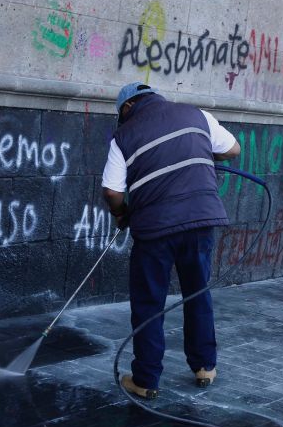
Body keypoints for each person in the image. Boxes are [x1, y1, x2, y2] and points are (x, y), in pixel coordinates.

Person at [101, 82, 241, 399]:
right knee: (197, 292)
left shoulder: (124, 136)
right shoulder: (196, 115)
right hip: (200, 220)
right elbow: (233, 149)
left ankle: (146, 380)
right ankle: (205, 366)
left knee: (149, 302)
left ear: (127, 108)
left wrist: (121, 214)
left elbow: (112, 192)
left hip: (155, 228)